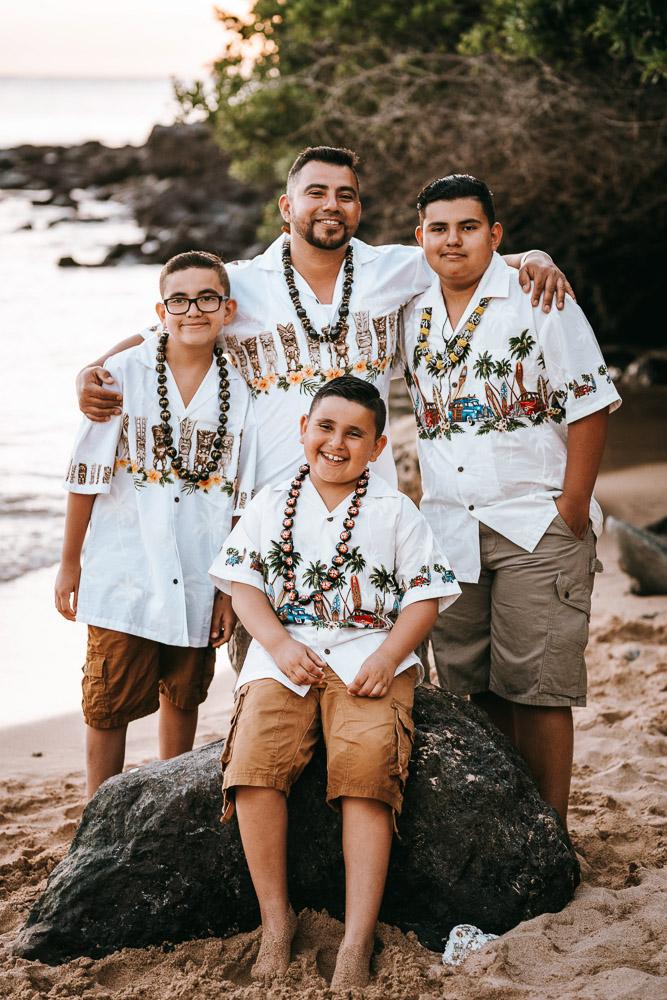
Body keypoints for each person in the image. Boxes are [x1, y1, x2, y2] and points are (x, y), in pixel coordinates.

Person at [72, 147, 572, 670]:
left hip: (371, 517)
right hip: (272, 522)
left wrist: (529, 258)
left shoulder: (392, 269)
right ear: (286, 207)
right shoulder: (241, 284)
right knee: (270, 687)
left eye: (345, 195)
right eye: (316, 193)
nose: (331, 205)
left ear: (358, 208)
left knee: (380, 683)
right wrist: (94, 368)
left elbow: (462, 257)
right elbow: (166, 333)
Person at [208, 376, 460, 989]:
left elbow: (424, 598)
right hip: (287, 654)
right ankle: (276, 923)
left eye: (355, 433)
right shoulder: (272, 502)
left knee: (368, 771)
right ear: (303, 431)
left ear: (377, 447)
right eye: (325, 427)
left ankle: (356, 938)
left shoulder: (395, 511)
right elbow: (244, 586)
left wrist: (391, 654)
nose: (337, 443)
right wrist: (277, 645)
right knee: (253, 767)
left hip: (368, 656)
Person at [401, 174, 621, 827]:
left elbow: (589, 405)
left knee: (538, 690)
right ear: (419, 239)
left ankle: (548, 831)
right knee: (473, 686)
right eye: (437, 228)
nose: (452, 240)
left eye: (468, 227)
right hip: (447, 527)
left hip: (536, 521)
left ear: (494, 235)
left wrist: (571, 510)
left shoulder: (537, 297)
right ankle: (506, 823)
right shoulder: (410, 305)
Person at [55, 251, 257, 798]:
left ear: (228, 309)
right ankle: (98, 809)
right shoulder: (121, 375)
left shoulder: (241, 392)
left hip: (200, 570)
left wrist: (229, 590)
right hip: (125, 567)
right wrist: (69, 562)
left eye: (207, 299)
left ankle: (173, 798)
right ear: (160, 310)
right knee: (108, 696)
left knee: (185, 688)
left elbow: (240, 498)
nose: (193, 310)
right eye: (179, 300)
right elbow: (86, 475)